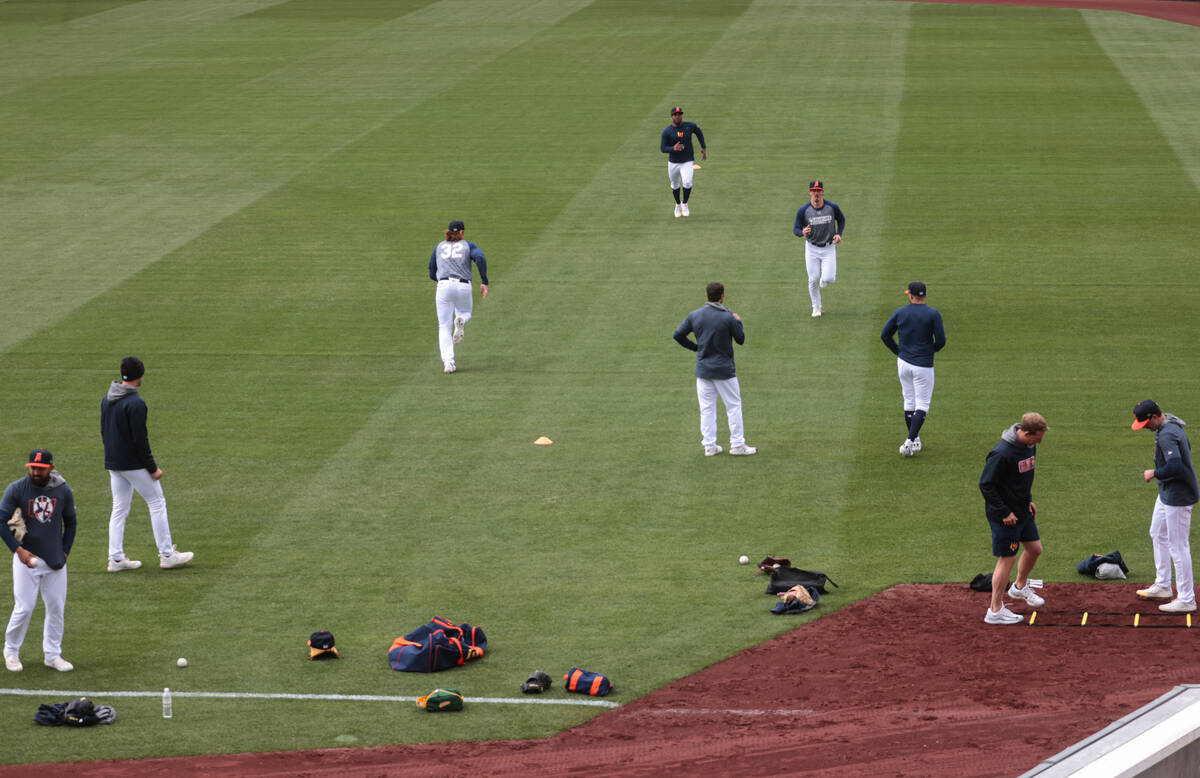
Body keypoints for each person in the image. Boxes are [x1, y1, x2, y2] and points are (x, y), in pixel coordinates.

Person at [102, 356, 193, 571]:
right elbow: (140, 440)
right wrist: (153, 468)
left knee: (119, 508)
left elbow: (104, 431)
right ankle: (167, 555)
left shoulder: (107, 399)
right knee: (157, 502)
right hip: (133, 464)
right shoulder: (136, 403)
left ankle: (115, 558)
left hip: (114, 463)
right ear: (139, 375)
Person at [1, 449, 77, 672]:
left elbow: (71, 522)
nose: (35, 472)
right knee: (24, 607)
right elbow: (1, 521)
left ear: (50, 468)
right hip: (26, 559)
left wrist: (65, 551)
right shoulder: (17, 489)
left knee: (56, 607)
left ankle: (52, 655)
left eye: (41, 469)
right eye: (33, 468)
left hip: (54, 561)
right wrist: (19, 551)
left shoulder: (63, 490)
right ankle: (11, 651)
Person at [979, 413, 1049, 625]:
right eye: (1037, 438)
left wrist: (1028, 499)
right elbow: (986, 485)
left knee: (1035, 549)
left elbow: (1023, 478)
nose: (1039, 442)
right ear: (1026, 433)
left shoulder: (1029, 446)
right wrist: (1004, 512)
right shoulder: (1001, 453)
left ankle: (1018, 588)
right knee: (1007, 558)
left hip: (1022, 510)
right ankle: (995, 610)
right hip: (1005, 516)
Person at [673, 282, 756, 457]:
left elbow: (678, 335)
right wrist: (738, 322)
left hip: (703, 371)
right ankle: (737, 445)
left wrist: (696, 348)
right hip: (724, 371)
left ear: (706, 294)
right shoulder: (728, 317)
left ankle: (709, 446)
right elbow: (740, 339)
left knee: (707, 408)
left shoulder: (695, 315)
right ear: (722, 296)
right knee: (733, 406)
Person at [1131, 400, 1198, 613]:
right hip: (1168, 493)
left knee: (1178, 546)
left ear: (1153, 417)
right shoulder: (1169, 426)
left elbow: (1176, 465)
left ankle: (1187, 598)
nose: (1145, 427)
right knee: (1157, 532)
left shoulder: (1168, 433)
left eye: (1145, 423)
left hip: (1178, 496)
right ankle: (1162, 585)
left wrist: (1154, 473)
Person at [880, 281, 946, 457]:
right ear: (924, 296)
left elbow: (885, 335)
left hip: (904, 363)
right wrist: (930, 350)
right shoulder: (933, 314)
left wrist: (899, 352)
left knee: (909, 402)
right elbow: (941, 341)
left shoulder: (900, 312)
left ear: (910, 295)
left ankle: (915, 439)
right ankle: (910, 441)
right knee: (922, 405)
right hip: (923, 365)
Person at [428, 219, 489, 374]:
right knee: (465, 313)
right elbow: (480, 258)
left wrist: (440, 281)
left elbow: (431, 269)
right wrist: (484, 281)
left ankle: (448, 363)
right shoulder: (468, 245)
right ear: (462, 232)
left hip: (443, 286)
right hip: (463, 285)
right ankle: (460, 320)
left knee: (443, 326)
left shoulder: (439, 246)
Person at [793, 180, 846, 317]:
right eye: (814, 190)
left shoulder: (832, 207)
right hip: (812, 248)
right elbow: (796, 229)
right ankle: (816, 307)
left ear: (822, 192)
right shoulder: (804, 210)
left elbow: (842, 219)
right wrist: (802, 232)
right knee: (813, 279)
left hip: (828, 248)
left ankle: (824, 279)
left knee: (829, 278)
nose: (816, 193)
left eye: (818, 190)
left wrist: (839, 234)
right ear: (810, 192)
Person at [660, 107, 706, 218]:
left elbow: (699, 133)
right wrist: (673, 148)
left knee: (687, 183)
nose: (678, 116)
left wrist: (703, 147)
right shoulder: (667, 132)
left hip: (687, 161)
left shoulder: (689, 126)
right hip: (673, 163)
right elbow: (662, 148)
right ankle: (677, 205)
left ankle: (684, 203)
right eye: (675, 114)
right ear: (671, 116)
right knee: (675, 185)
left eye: (679, 114)